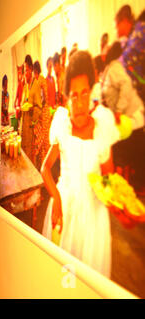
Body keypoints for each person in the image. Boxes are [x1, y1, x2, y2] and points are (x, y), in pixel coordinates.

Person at [41, 51, 120, 277]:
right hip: (64, 210)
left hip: (93, 217)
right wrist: (55, 197)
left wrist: (116, 201)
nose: (80, 102)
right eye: (74, 96)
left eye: (84, 93)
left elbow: (109, 179)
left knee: (86, 279)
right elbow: (45, 168)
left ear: (91, 92)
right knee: (62, 277)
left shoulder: (101, 129)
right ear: (67, 98)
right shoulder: (63, 127)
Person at [102, 41, 145, 191]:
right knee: (127, 152)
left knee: (126, 152)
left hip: (131, 118)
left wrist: (119, 110)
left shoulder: (114, 67)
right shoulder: (108, 70)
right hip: (127, 120)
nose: (102, 52)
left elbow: (125, 84)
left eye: (104, 49)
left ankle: (126, 188)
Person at [115, 5, 145, 103]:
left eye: (117, 26)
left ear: (124, 21)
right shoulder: (129, 38)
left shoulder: (140, 31)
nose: (116, 30)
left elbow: (127, 58)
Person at [30, 60, 47, 168]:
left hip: (43, 114)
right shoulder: (35, 80)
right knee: (39, 142)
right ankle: (41, 166)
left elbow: (44, 97)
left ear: (35, 70)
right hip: (39, 114)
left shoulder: (40, 80)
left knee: (43, 141)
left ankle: (44, 166)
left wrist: (39, 108)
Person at [20, 55, 35, 163]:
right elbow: (22, 103)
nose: (25, 73)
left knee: (31, 156)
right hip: (24, 127)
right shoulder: (25, 87)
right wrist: (20, 108)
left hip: (31, 127)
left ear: (31, 70)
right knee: (24, 155)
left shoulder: (35, 85)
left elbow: (40, 106)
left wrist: (32, 108)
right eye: (24, 70)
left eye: (27, 70)